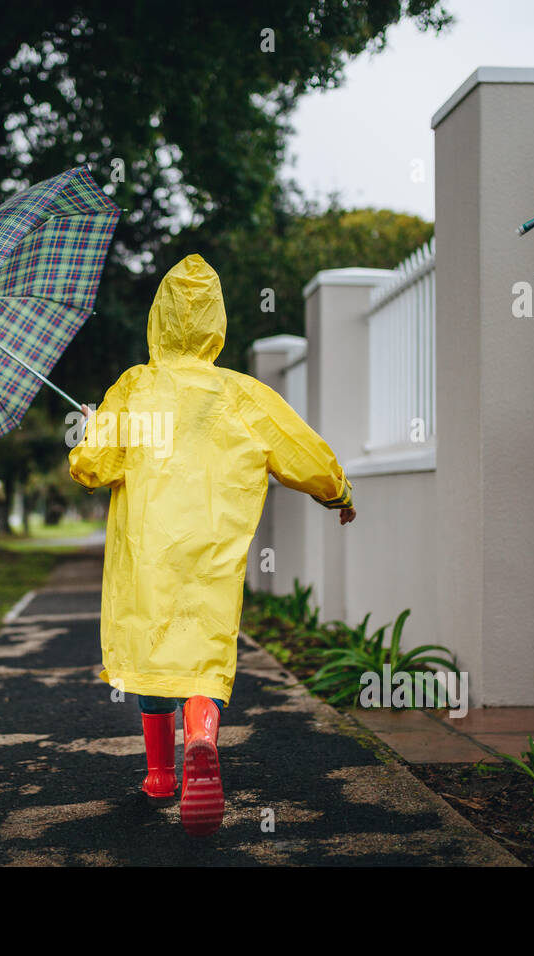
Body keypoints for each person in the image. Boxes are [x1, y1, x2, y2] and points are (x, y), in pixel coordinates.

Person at [68, 253, 355, 836]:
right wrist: (336, 489)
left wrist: (91, 426)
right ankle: (202, 735)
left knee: (153, 660)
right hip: (212, 552)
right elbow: (297, 447)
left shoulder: (135, 388)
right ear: (215, 325)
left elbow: (92, 466)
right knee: (204, 652)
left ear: (158, 320)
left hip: (148, 551)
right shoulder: (243, 395)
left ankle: (158, 776)